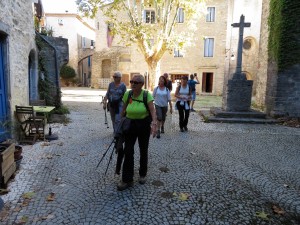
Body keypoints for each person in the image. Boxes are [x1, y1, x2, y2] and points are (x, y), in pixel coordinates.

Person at [117, 74, 157, 191]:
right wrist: (119, 126)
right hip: (130, 125)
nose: (133, 84)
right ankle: (127, 179)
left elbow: (152, 110)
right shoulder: (128, 94)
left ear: (142, 84)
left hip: (143, 125)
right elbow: (123, 110)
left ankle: (142, 174)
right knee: (128, 150)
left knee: (143, 150)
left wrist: (154, 124)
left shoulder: (146, 95)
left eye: (136, 82)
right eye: (131, 81)